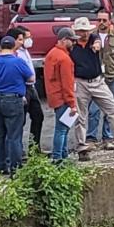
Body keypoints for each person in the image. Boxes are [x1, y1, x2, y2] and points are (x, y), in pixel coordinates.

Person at [69, 17, 114, 160]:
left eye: (86, 30)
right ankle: (82, 147)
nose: (84, 33)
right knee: (80, 116)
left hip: (98, 81)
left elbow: (99, 42)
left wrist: (97, 45)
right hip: (80, 82)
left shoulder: (94, 38)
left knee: (113, 108)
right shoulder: (71, 45)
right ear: (76, 31)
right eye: (81, 31)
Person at [0, 36, 35, 174]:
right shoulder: (18, 62)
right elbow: (31, 78)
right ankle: (15, 167)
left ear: (0, 47)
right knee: (14, 136)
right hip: (13, 100)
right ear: (13, 47)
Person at [86, 13, 114, 148]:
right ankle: (91, 139)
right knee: (93, 110)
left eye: (104, 20)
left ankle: (107, 138)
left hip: (112, 77)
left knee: (111, 109)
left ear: (109, 21)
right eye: (99, 20)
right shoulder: (91, 38)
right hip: (96, 79)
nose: (101, 22)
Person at [44, 28, 79, 161]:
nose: (74, 43)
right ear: (64, 40)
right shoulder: (64, 59)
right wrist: (72, 104)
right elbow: (67, 84)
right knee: (62, 130)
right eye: (72, 40)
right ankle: (58, 158)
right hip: (63, 99)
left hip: (54, 97)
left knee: (62, 128)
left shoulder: (51, 54)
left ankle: (63, 155)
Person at [8, 26, 44, 148]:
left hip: (31, 88)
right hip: (22, 88)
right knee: (20, 121)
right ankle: (17, 150)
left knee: (38, 116)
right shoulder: (15, 54)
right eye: (25, 38)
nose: (28, 40)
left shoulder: (25, 51)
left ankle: (34, 148)